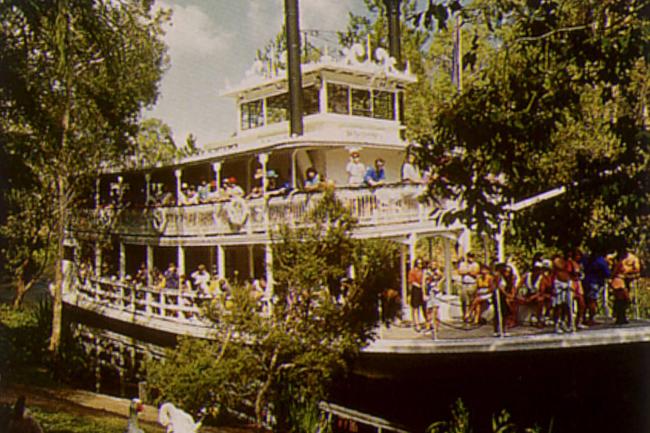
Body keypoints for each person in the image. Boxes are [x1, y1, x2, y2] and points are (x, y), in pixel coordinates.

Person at [581, 249, 611, 325]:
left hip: (586, 281)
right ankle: (591, 318)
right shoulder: (600, 261)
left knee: (586, 300)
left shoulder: (586, 259)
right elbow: (607, 273)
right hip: (595, 282)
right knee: (592, 301)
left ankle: (583, 317)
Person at [458, 252, 480, 323]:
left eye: (472, 257)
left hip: (472, 284)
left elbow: (475, 273)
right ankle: (464, 315)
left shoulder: (475, 264)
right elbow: (460, 272)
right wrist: (469, 271)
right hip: (464, 284)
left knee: (472, 301)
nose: (471, 258)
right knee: (464, 300)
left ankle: (471, 315)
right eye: (469, 257)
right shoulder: (462, 264)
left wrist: (467, 271)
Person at [408, 258, 426, 331]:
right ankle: (417, 323)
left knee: (424, 307)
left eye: (421, 263)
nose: (420, 265)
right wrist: (419, 285)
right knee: (415, 308)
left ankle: (427, 322)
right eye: (418, 263)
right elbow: (411, 281)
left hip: (423, 289)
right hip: (416, 289)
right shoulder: (412, 271)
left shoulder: (423, 271)